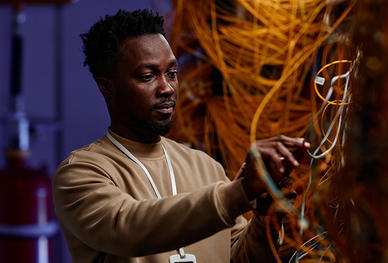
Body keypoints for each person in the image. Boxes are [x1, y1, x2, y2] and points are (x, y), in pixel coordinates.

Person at [52, 9, 309, 263]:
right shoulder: (81, 174)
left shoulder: (205, 166)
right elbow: (130, 227)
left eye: (172, 73)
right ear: (107, 86)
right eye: (147, 76)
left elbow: (238, 256)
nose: (167, 88)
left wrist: (265, 218)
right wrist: (240, 193)